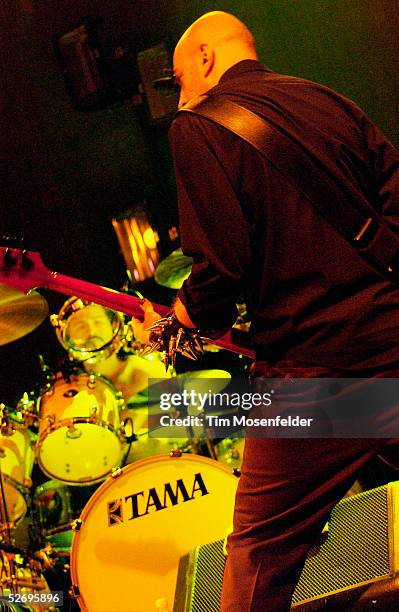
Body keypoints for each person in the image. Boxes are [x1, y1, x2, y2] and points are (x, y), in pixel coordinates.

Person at [134, 10, 399, 611]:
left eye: (179, 79)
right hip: (392, 342)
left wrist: (184, 315)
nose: (182, 96)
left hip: (318, 384)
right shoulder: (329, 101)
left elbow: (221, 266)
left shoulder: (196, 127)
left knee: (261, 551)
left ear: (204, 58)